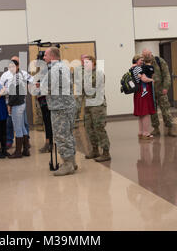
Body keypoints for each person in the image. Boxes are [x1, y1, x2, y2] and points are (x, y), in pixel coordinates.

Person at [40, 47, 77, 176]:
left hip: (59, 107)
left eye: (45, 55)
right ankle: (72, 162)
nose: (43, 57)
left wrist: (38, 86)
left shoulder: (54, 70)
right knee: (68, 134)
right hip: (68, 105)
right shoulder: (64, 66)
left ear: (52, 56)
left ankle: (67, 164)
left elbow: (46, 89)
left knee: (61, 136)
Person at [0, 55, 33, 150]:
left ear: (18, 65)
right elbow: (0, 88)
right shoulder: (6, 75)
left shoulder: (22, 74)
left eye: (16, 63)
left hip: (18, 102)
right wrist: (5, 91)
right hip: (10, 101)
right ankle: (13, 142)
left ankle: (22, 147)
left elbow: (32, 81)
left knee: (22, 125)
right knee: (12, 124)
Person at [82, 55, 111, 162]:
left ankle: (106, 152)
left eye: (86, 63)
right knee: (89, 129)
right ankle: (95, 150)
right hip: (88, 105)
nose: (84, 65)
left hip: (98, 106)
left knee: (99, 128)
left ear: (93, 63)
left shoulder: (99, 74)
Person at [141, 49, 177, 137]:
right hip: (150, 92)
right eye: (144, 55)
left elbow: (166, 75)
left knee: (166, 110)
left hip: (161, 90)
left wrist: (166, 87)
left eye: (148, 55)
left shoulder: (159, 61)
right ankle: (156, 128)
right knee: (153, 111)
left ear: (151, 54)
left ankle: (170, 128)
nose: (146, 57)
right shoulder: (142, 64)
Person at [7, 59, 32, 159]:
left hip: (17, 104)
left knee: (18, 129)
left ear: (17, 66)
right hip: (21, 103)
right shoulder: (21, 75)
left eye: (13, 66)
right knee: (22, 127)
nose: (11, 69)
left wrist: (10, 105)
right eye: (9, 67)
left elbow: (13, 95)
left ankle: (18, 152)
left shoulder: (16, 77)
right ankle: (26, 150)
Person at [132, 55, 156, 140]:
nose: (142, 61)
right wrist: (152, 80)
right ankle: (146, 133)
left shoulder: (132, 68)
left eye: (143, 60)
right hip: (143, 91)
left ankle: (141, 132)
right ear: (136, 60)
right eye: (140, 60)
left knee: (141, 113)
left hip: (138, 92)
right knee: (146, 113)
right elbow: (144, 79)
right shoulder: (138, 68)